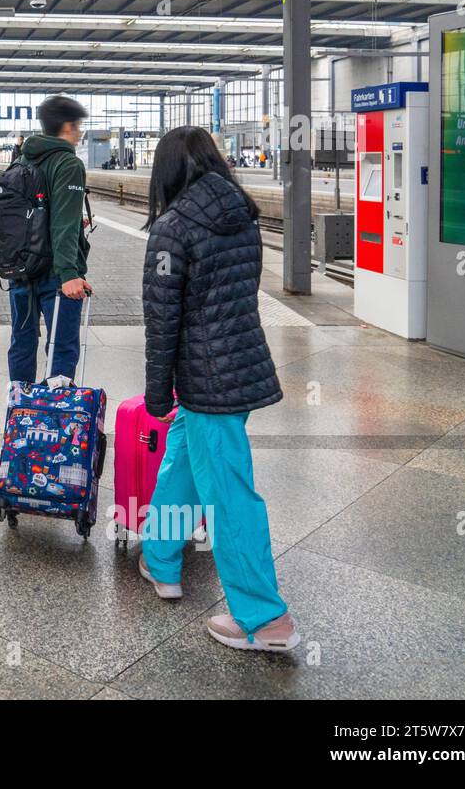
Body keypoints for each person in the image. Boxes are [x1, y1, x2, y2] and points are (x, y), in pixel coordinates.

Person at [136, 125, 297, 653]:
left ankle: (263, 618)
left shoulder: (173, 228)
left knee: (230, 495)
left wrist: (158, 395)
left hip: (205, 379)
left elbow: (162, 322)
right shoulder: (242, 214)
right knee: (182, 459)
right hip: (241, 366)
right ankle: (161, 560)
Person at [6, 96, 93, 383]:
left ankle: (19, 413)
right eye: (78, 125)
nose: (80, 132)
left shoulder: (23, 158)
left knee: (22, 343)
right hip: (56, 275)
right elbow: (64, 224)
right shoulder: (68, 164)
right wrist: (69, 273)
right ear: (66, 126)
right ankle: (55, 421)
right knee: (62, 347)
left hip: (21, 270)